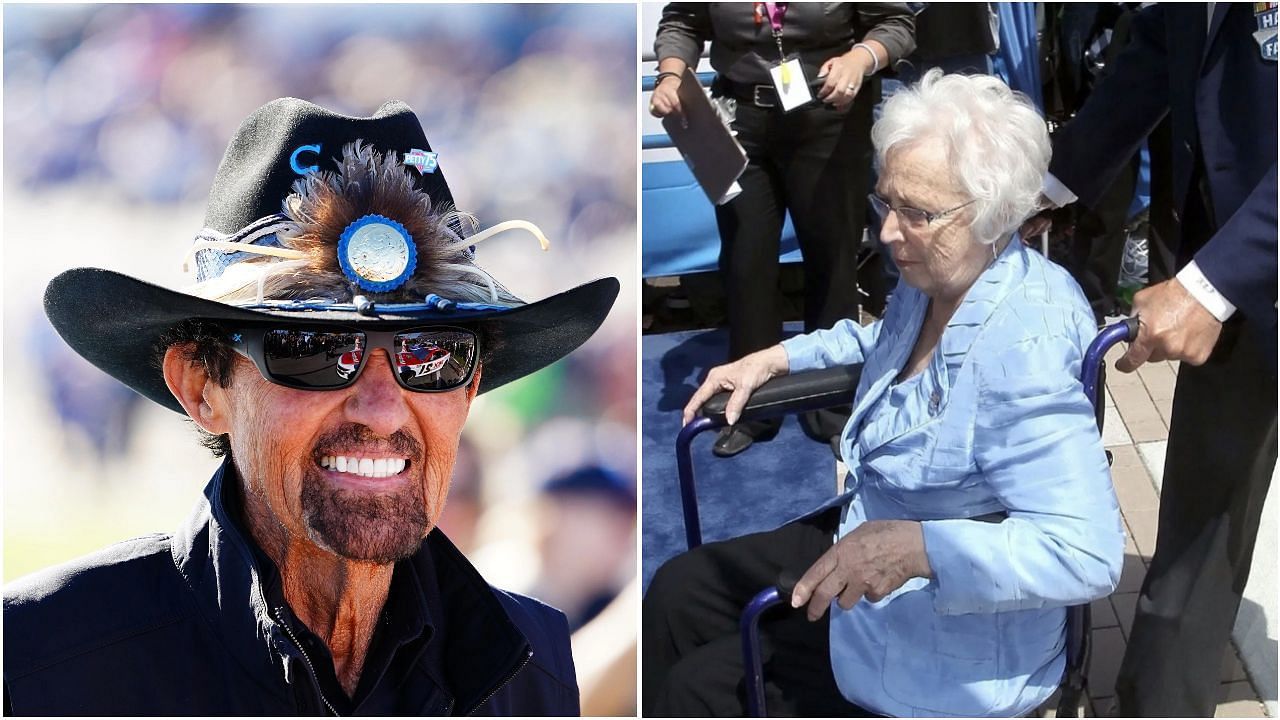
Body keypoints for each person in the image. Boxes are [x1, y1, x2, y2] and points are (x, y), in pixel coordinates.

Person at [3, 98, 619, 715]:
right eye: (315, 350)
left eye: (432, 354)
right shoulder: (37, 663)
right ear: (202, 388)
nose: (382, 410)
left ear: (471, 386)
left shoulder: (532, 670)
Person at [643, 71, 1124, 717]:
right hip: (876, 524)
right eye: (886, 204)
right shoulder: (943, 272)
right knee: (680, 589)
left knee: (697, 689)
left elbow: (1085, 554)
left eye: (917, 213)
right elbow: (882, 343)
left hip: (952, 633)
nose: (889, 233)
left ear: (994, 212)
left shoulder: (1021, 350)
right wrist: (781, 355)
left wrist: (920, 548)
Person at [1029, 3, 1278, 715]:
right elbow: (1144, 70)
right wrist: (1044, 190)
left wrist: (1212, 282)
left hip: (1234, 270)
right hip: (1243, 288)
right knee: (1201, 527)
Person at [650, 3, 916, 457]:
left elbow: (896, 24)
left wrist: (861, 58)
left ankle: (832, 405)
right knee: (745, 261)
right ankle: (753, 407)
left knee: (831, 259)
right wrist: (671, 76)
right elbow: (683, 22)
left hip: (829, 118)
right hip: (741, 124)